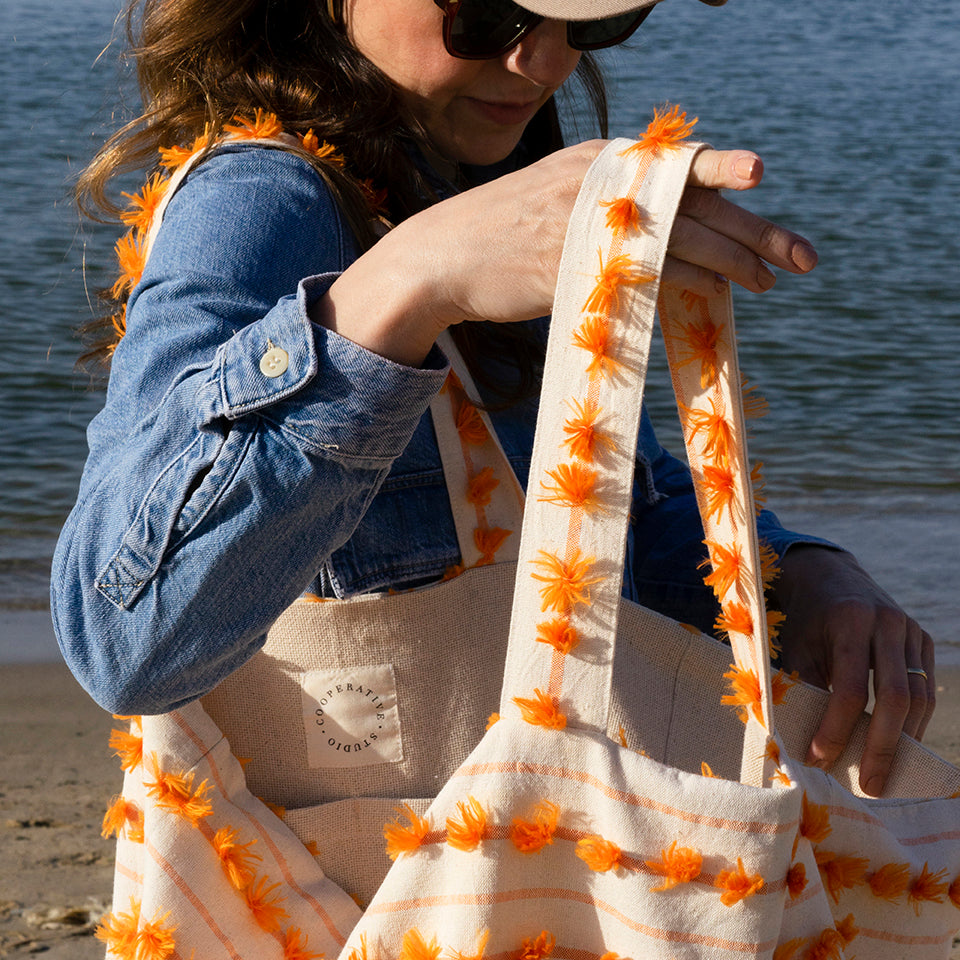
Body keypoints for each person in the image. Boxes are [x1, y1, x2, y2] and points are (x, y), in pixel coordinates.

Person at [53, 0, 934, 801]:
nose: (545, 61)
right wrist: (411, 280)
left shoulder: (478, 178)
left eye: (589, 21)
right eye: (485, 14)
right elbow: (120, 645)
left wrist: (801, 577)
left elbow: (615, 502)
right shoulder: (261, 200)